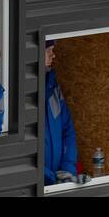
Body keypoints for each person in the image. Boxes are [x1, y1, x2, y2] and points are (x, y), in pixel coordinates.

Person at [43, 39, 78, 184]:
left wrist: (67, 170)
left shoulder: (52, 86)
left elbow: (67, 130)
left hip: (55, 183)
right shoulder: (15, 91)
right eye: (48, 50)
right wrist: (50, 176)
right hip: (35, 182)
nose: (53, 55)